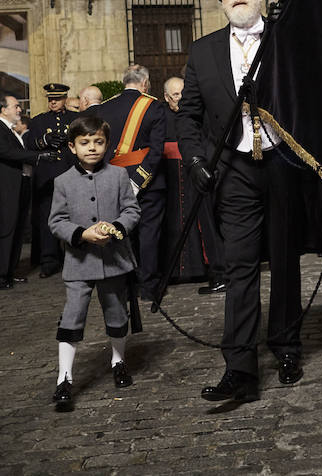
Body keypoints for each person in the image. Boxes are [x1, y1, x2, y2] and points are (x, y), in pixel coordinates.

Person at [177, 0, 305, 403]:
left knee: (286, 260)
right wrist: (195, 162)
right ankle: (240, 368)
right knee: (240, 266)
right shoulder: (203, 51)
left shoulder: (286, 40)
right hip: (231, 170)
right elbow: (188, 117)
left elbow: (309, 100)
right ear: (221, 1)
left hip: (282, 165)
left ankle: (287, 347)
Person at [48, 114, 141, 411]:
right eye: (84, 143)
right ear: (73, 147)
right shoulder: (62, 182)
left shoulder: (118, 176)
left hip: (114, 260)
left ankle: (118, 361)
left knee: (116, 314)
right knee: (72, 317)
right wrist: (81, 233)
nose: (92, 148)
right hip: (78, 263)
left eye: (98, 142)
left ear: (107, 145)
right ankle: (64, 377)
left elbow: (131, 210)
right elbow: (57, 221)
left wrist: (116, 228)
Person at [100, 65, 166, 301]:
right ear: (145, 83)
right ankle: (149, 287)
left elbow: (100, 149)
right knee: (149, 234)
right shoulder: (154, 106)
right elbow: (157, 150)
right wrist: (138, 181)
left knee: (120, 233)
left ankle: (126, 287)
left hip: (113, 179)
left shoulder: (104, 108)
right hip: (148, 180)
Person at [160, 75, 225, 291]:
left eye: (183, 93)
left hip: (205, 174)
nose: (180, 99)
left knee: (211, 224)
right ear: (167, 98)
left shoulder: (199, 113)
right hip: (179, 179)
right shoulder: (163, 117)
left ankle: (220, 274)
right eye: (176, 95)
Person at [0, 94, 54, 289]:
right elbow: (7, 152)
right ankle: (2, 275)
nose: (19, 110)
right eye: (16, 106)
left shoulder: (11, 130)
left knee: (17, 230)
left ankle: (9, 272)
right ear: (3, 109)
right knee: (7, 230)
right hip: (7, 188)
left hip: (20, 185)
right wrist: (39, 156)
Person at [25, 83, 78, 278]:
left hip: (70, 174)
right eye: (50, 99)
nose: (53, 102)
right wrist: (45, 141)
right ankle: (49, 259)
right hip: (47, 177)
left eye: (56, 98)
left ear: (65, 98)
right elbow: (29, 144)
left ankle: (74, 256)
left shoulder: (75, 119)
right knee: (47, 218)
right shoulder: (39, 121)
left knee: (74, 216)